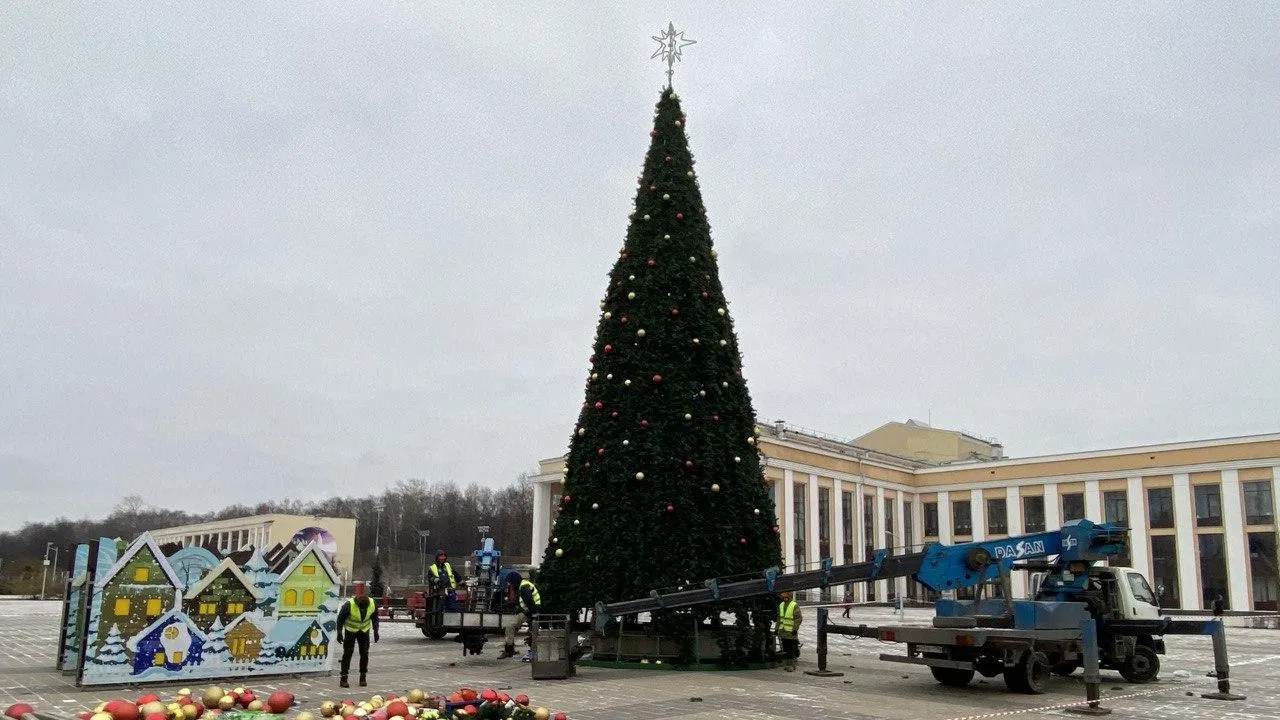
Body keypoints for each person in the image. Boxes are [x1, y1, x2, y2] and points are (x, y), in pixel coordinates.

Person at [336, 587, 380, 688]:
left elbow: (375, 617)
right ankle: (343, 678)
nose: (363, 610)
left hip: (364, 630)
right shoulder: (349, 605)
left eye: (364, 608)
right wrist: (339, 632)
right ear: (357, 604)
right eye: (361, 608)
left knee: (364, 653)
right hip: (350, 630)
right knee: (347, 654)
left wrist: (376, 630)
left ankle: (363, 677)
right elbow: (340, 619)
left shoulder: (372, 603)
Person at [498, 570, 540, 659]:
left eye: (510, 583)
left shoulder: (524, 587)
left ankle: (509, 650)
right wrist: (509, 604)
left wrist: (534, 617)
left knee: (510, 625)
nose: (510, 585)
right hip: (530, 611)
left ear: (514, 581)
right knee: (511, 625)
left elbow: (529, 602)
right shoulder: (522, 585)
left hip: (532, 612)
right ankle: (510, 649)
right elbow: (521, 600)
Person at [775, 590, 802, 671]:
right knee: (786, 649)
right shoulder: (781, 605)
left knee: (791, 649)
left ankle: (791, 665)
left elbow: (798, 618)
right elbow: (779, 618)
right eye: (783, 596)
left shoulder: (794, 605)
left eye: (785, 596)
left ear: (789, 596)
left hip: (791, 632)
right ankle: (787, 664)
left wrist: (795, 628)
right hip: (783, 632)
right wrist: (777, 628)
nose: (784, 598)